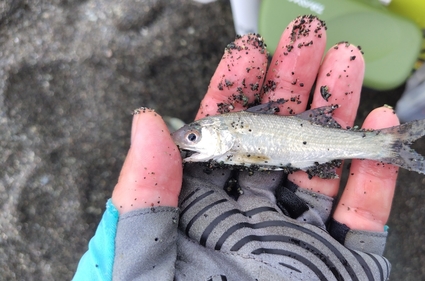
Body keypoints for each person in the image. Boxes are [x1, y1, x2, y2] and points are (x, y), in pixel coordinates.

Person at [74, 15, 398, 280]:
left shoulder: (231, 134)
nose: (188, 144)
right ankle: (384, 146)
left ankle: (384, 145)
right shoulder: (229, 134)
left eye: (193, 139)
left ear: (221, 134)